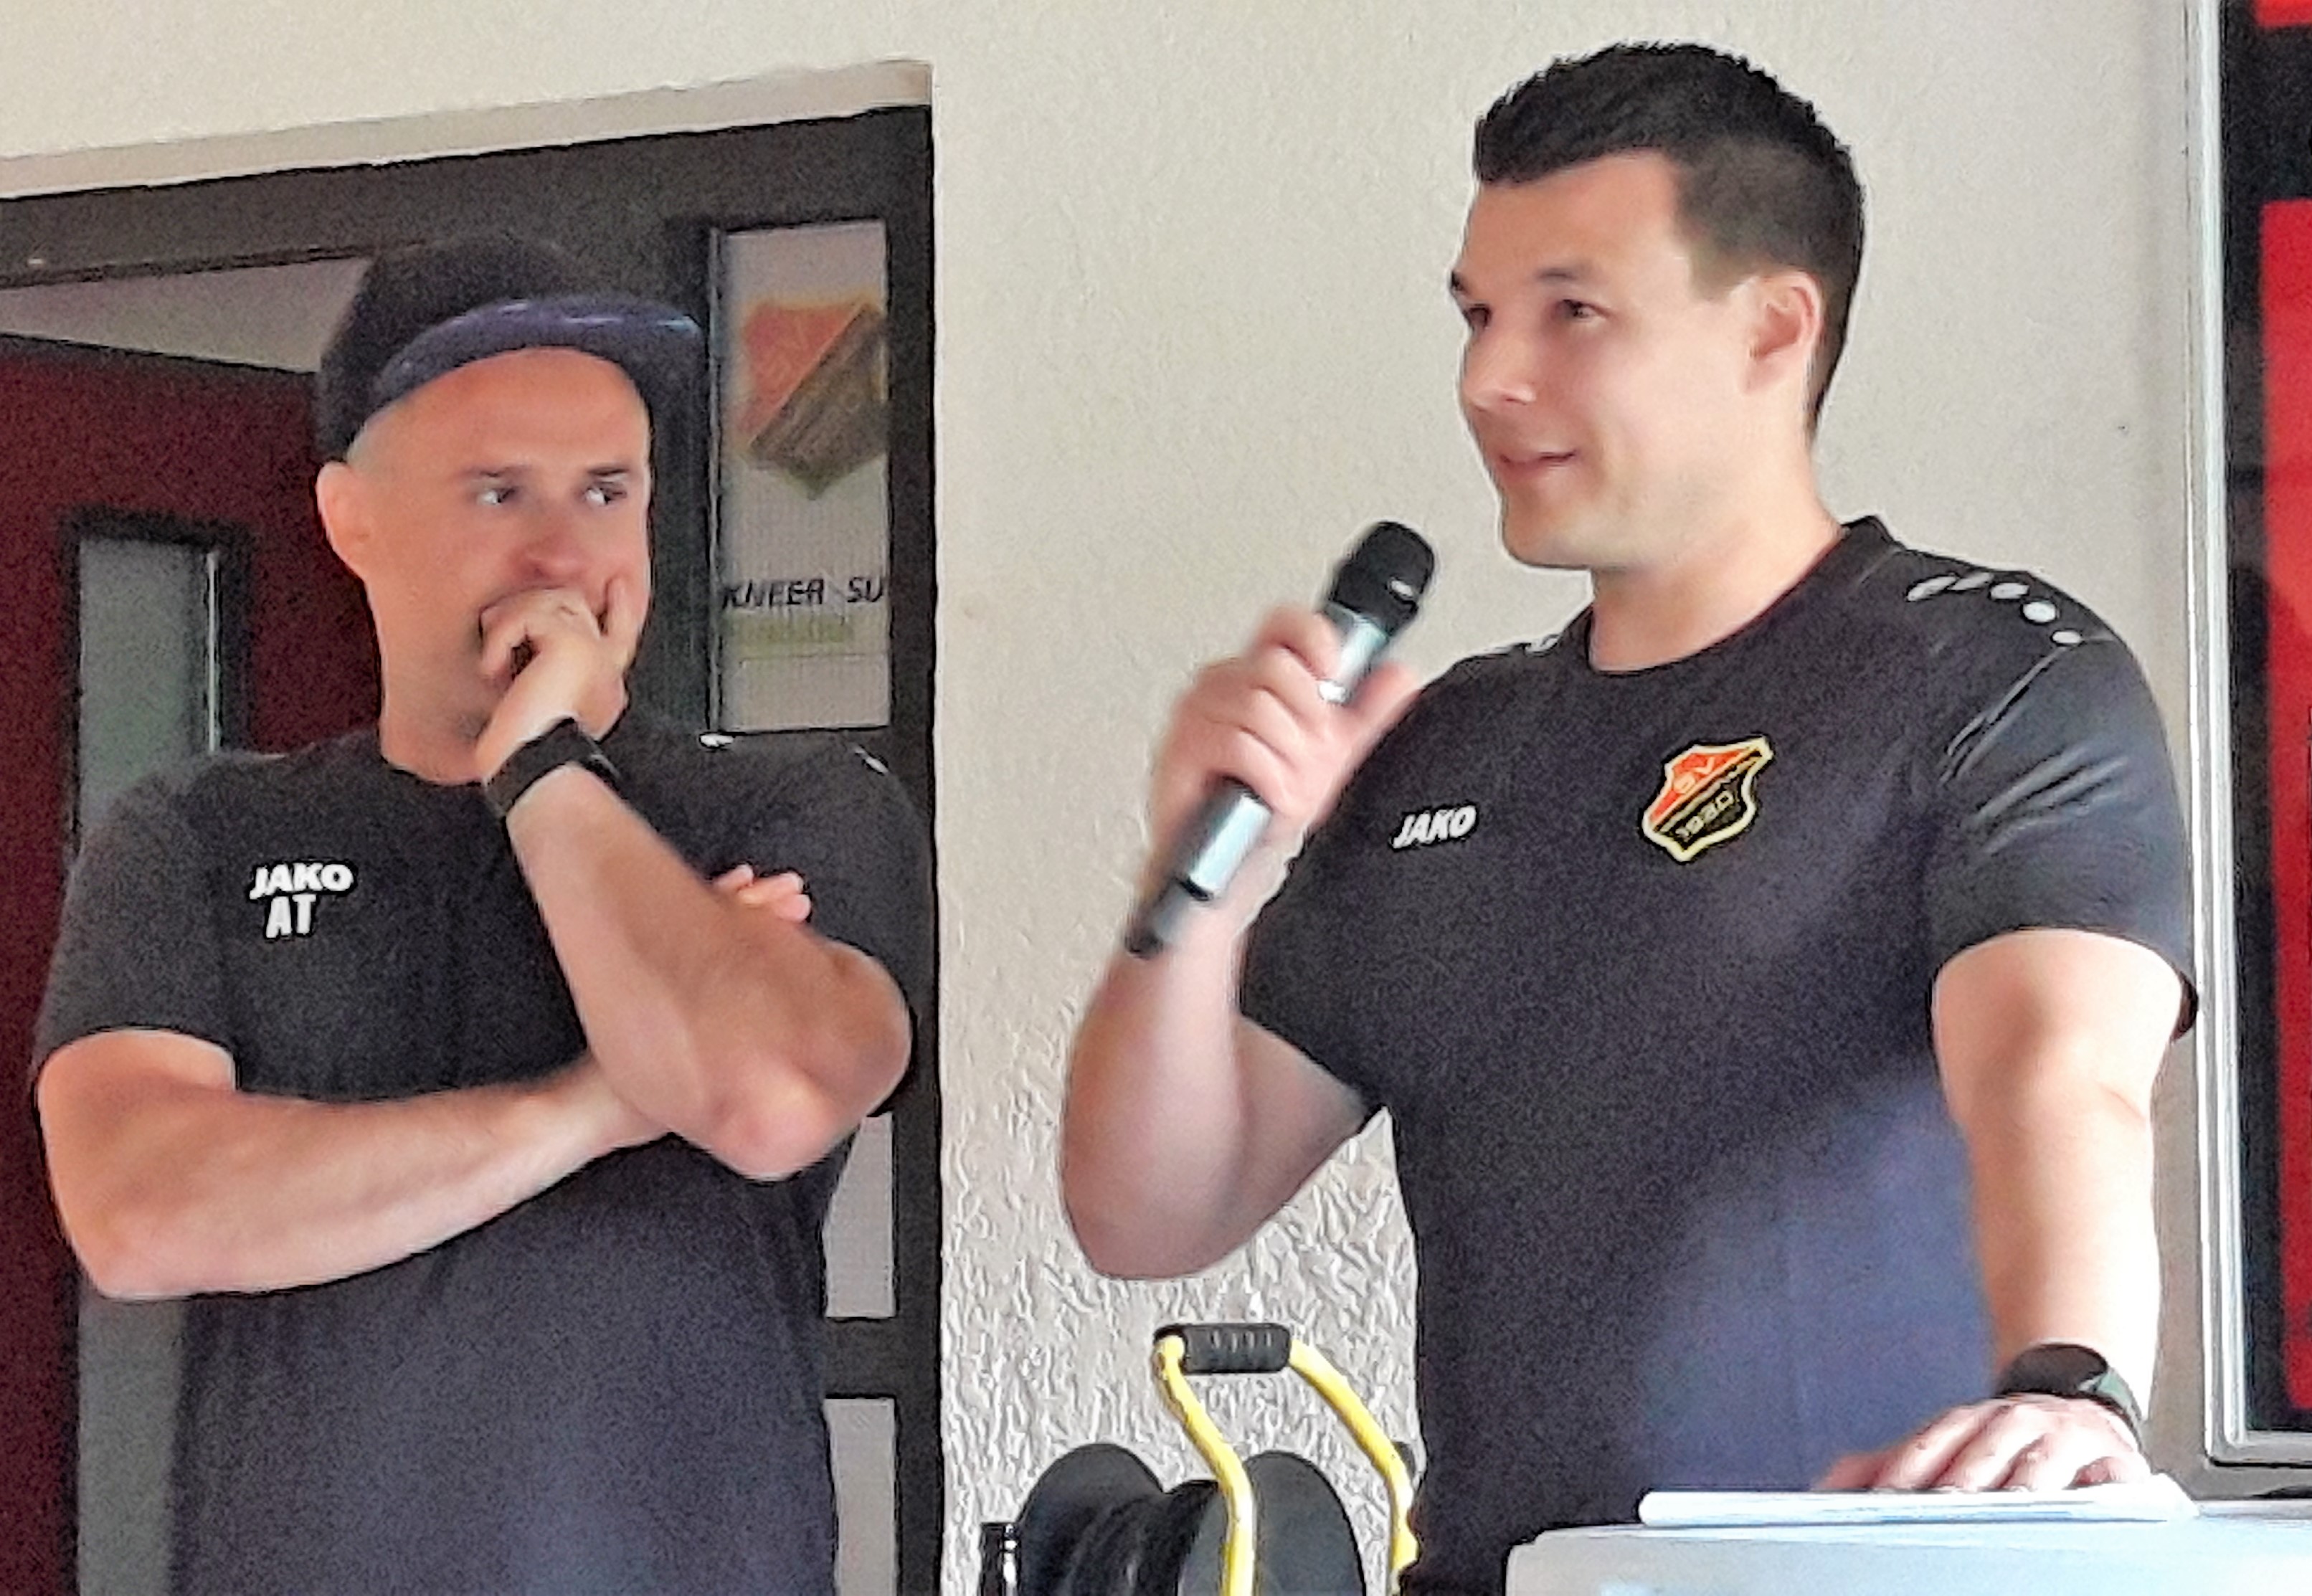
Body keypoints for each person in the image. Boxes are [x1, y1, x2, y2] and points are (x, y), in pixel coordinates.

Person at [1061, 43, 2192, 1595]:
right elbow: (1147, 1212)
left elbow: (2059, 1073)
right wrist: (1196, 879)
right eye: (1475, 316)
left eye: (1570, 314)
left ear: (1773, 328)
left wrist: (2072, 1389)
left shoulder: (1990, 679)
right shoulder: (1449, 741)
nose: (1490, 380)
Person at [31, 237, 928, 1595]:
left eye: (606, 490)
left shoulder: (793, 806)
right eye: (499, 491)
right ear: (351, 520)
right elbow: (142, 1212)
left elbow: (767, 1098)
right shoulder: (201, 832)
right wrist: (593, 1104)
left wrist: (542, 768)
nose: (562, 550)